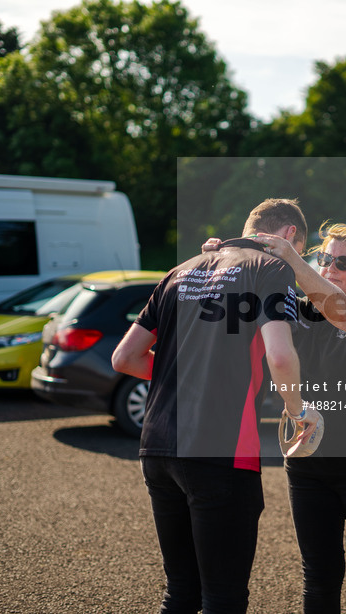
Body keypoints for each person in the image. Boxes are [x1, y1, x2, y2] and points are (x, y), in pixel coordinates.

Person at [111, 198, 320, 614]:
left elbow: (125, 359)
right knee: (222, 599)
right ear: (289, 235)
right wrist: (299, 411)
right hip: (222, 450)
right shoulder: (273, 269)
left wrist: (189, 379)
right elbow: (280, 355)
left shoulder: (181, 269)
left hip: (157, 447)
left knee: (180, 593)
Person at [248, 223, 346, 614]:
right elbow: (249, 303)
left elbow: (340, 311)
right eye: (324, 258)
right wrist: (220, 260)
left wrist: (291, 257)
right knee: (319, 575)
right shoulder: (299, 312)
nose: (329, 267)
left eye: (342, 261)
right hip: (308, 467)